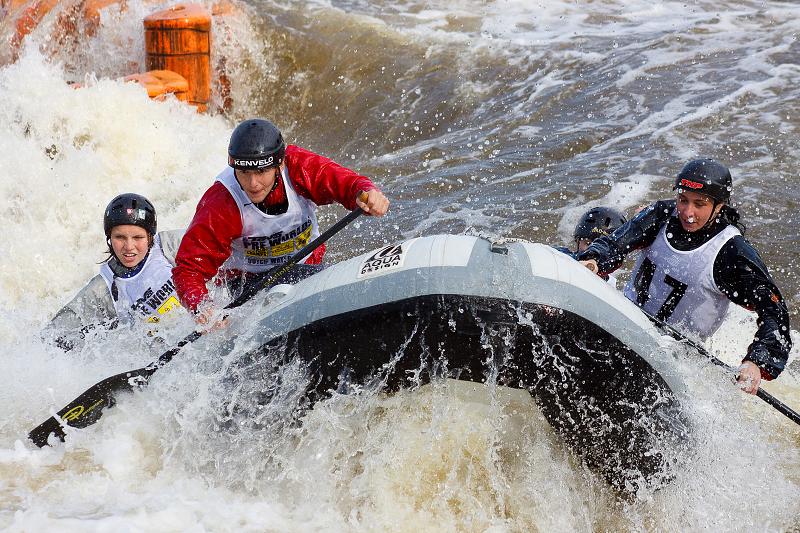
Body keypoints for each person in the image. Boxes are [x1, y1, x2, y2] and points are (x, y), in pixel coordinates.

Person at [577, 159, 791, 395]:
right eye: (683, 200)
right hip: (624, 323)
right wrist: (594, 260)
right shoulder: (660, 215)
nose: (688, 213)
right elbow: (614, 244)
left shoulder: (732, 253)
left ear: (718, 206)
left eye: (699, 204)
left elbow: (775, 311)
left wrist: (756, 362)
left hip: (672, 360)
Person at [172, 118, 390, 325]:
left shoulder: (300, 168)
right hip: (246, 287)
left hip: (307, 270)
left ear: (281, 164)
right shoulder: (221, 202)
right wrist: (202, 306)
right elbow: (188, 269)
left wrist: (368, 195)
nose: (253, 183)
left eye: (261, 171)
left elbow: (350, 186)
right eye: (244, 172)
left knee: (302, 277)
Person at [43, 193, 185, 351]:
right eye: (120, 237)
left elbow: (215, 247)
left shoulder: (171, 246)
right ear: (109, 237)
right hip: (172, 359)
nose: (129, 246)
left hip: (208, 331)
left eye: (138, 237)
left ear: (150, 237)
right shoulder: (102, 290)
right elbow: (52, 337)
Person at [554, 207, 627, 286]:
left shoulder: (613, 289)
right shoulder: (562, 256)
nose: (592, 250)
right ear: (578, 241)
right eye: (588, 243)